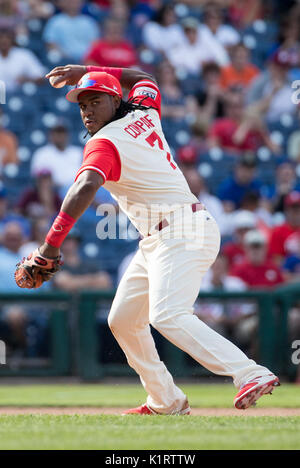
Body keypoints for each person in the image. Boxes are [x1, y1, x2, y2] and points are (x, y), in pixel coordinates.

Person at [16, 63, 279, 414]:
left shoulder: (104, 143)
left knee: (167, 314)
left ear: (113, 100)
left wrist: (49, 246)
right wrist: (87, 69)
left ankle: (249, 372)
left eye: (95, 101)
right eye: (82, 104)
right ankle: (165, 399)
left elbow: (85, 186)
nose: (87, 110)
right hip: (164, 236)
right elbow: (145, 79)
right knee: (122, 319)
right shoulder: (145, 109)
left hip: (181, 231)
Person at [30, 121, 82, 191]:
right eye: (57, 133)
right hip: (54, 192)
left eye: (63, 133)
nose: (60, 136)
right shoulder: (42, 153)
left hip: (78, 189)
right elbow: (38, 179)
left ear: (68, 135)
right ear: (50, 135)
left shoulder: (78, 152)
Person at [0, 26, 45, 92]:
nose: (4, 40)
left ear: (12, 39)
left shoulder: (24, 54)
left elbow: (41, 77)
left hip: (20, 94)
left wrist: (26, 79)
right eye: (1, 38)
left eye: (7, 38)